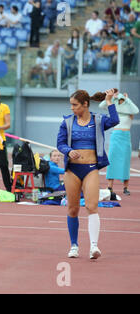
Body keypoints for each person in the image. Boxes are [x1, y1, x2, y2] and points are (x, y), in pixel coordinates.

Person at [57, 88, 119, 260]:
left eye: (75, 105)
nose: (72, 108)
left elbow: (115, 120)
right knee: (72, 209)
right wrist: (69, 151)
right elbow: (60, 143)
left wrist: (109, 102)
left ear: (85, 104)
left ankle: (93, 246)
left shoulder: (98, 120)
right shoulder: (67, 122)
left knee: (92, 207)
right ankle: (74, 246)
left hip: (91, 168)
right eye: (71, 105)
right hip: (72, 170)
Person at [99, 92, 139, 196]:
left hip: (125, 137)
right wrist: (110, 98)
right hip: (115, 137)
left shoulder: (130, 112)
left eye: (122, 100)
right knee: (111, 161)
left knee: (125, 163)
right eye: (119, 100)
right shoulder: (114, 111)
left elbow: (136, 110)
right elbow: (101, 105)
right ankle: (109, 187)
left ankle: (125, 188)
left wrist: (128, 99)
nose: (120, 102)